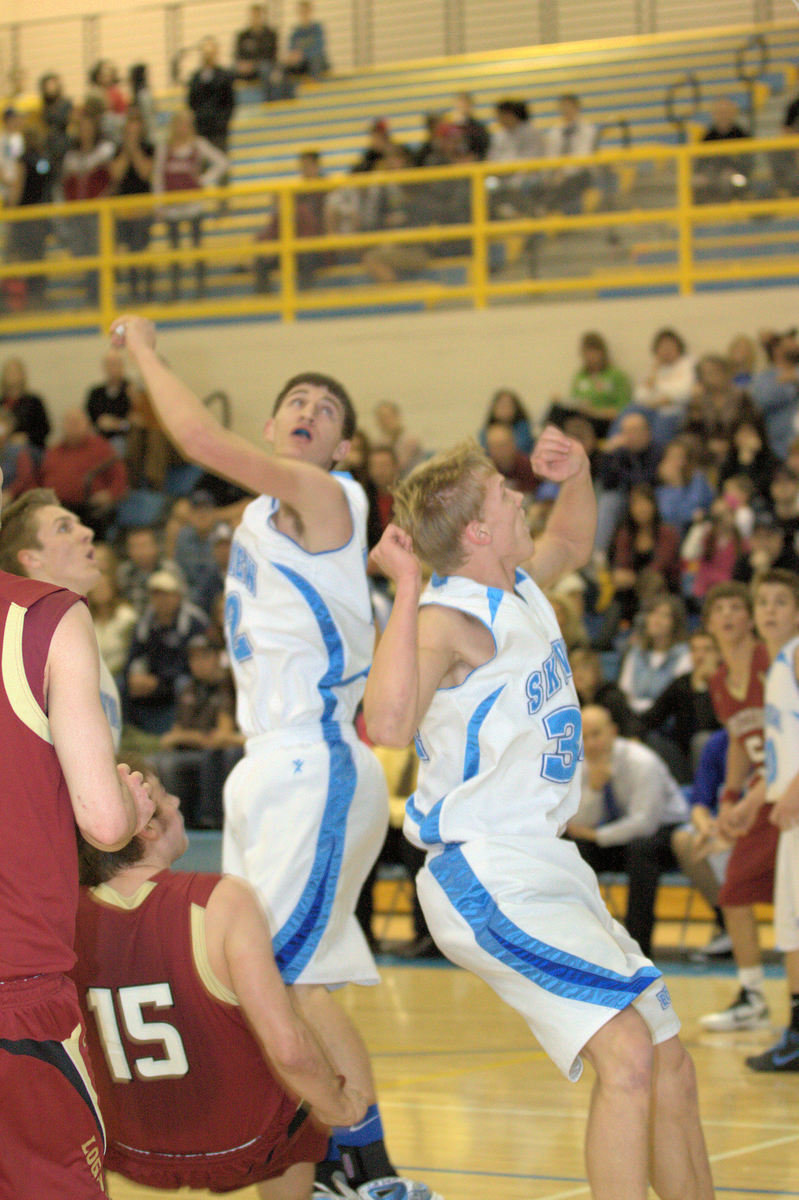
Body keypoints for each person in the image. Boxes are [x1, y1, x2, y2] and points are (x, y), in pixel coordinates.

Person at [109, 314, 436, 1199]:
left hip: (316, 761)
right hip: (269, 768)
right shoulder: (260, 513)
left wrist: (141, 347)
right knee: (291, 978)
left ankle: (360, 1166)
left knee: (277, 979)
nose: (309, 411)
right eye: (296, 399)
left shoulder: (330, 500)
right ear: (273, 421)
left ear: (342, 444)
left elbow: (194, 436)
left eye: (327, 409)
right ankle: (336, 1163)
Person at [363, 430, 714, 1200]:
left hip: (546, 863)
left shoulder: (517, 584)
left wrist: (581, 473)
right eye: (503, 492)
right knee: (626, 1053)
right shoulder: (444, 620)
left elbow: (572, 537)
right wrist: (404, 588)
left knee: (667, 1059)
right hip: (484, 869)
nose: (522, 494)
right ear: (477, 531)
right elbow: (385, 726)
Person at [73, 758, 368, 1195]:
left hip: (122, 1146)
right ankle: (362, 1167)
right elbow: (287, 1048)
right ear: (149, 828)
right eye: (164, 793)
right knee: (311, 1059)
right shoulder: (220, 899)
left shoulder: (63, 913)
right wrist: (341, 1106)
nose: (176, 800)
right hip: (247, 1142)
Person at [0, 462, 153, 1198]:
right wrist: (128, 815)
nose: (87, 531)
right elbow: (100, 818)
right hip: (16, 978)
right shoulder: (45, 619)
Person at [699, 581, 777, 1031]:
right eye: (719, 610)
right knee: (735, 893)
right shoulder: (719, 680)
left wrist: (747, 798)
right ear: (708, 623)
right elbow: (739, 742)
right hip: (764, 795)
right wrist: (729, 798)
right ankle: (752, 996)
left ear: (750, 618)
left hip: (784, 788)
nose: (728, 616)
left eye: (736, 608)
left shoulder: (776, 663)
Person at [0, 487, 125, 747]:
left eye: (79, 524)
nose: (88, 533)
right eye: (64, 528)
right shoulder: (21, 647)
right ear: (31, 558)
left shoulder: (81, 639)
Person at [568, 704, 689, 959]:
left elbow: (645, 822)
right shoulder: (580, 764)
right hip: (617, 833)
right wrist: (594, 790)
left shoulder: (642, 761)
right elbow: (578, 824)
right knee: (574, 850)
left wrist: (598, 836)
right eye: (584, 737)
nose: (590, 743)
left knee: (642, 850)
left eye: (596, 734)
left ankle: (639, 949)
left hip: (665, 832)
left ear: (613, 732)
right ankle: (582, 942)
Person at [746, 568, 799, 1071]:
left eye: (781, 601)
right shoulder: (777, 663)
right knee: (791, 930)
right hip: (790, 814)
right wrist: (749, 803)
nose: (769, 610)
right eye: (762, 601)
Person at [153, 107, 228, 301]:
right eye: (179, 123)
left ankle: (200, 290)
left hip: (194, 207)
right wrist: (158, 203)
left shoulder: (198, 145)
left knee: (197, 249)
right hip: (172, 209)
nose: (182, 128)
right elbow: (158, 177)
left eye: (186, 123)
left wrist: (204, 180)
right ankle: (175, 292)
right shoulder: (164, 147)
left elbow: (222, 162)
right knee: (174, 252)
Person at [187, 36, 235, 161]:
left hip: (218, 130)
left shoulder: (224, 76)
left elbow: (230, 102)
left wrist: (222, 122)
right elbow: (191, 102)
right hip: (200, 129)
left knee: (221, 162)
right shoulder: (195, 77)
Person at [285, 1, 330, 80]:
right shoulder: (295, 32)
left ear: (310, 12)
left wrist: (303, 55)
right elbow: (292, 50)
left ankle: (315, 88)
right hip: (303, 63)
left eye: (305, 11)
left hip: (316, 61)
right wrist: (292, 57)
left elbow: (318, 48)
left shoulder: (317, 29)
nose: (304, 14)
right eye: (301, 12)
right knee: (285, 66)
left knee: (315, 60)